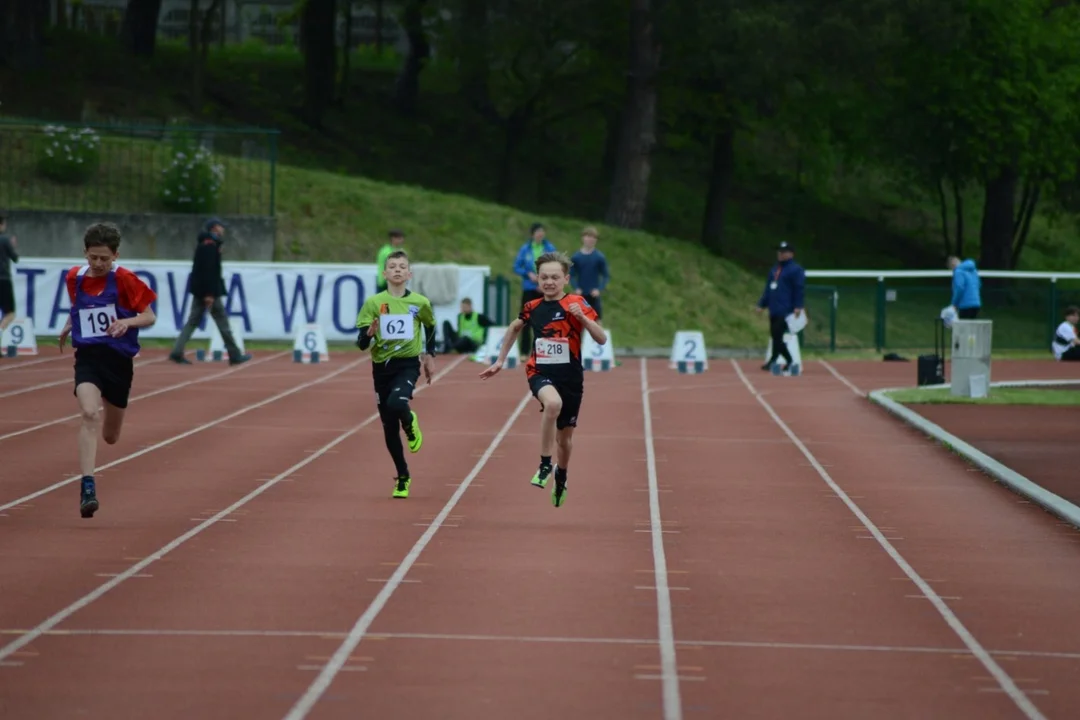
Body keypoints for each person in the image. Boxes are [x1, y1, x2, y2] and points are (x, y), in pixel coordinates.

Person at [480, 251, 606, 509]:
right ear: (537, 278)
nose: (549, 282)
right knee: (551, 405)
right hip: (539, 370)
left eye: (555, 277)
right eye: (544, 277)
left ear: (566, 279)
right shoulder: (532, 307)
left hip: (570, 377)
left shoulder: (577, 303)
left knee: (565, 440)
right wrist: (500, 360)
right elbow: (515, 327)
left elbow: (601, 338)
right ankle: (545, 464)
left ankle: (561, 475)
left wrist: (581, 318)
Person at [58, 223, 158, 518]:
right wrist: (69, 323)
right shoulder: (74, 277)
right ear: (84, 253)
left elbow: (149, 316)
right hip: (88, 357)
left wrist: (127, 323)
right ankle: (87, 485)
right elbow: (78, 305)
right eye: (93, 257)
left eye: (105, 258)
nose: (99, 264)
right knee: (89, 413)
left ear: (116, 254)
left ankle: (107, 412)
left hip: (118, 361)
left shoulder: (125, 279)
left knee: (111, 436)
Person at [355, 249, 437, 499]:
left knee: (397, 402)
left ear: (409, 273)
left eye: (402, 266)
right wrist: (369, 333)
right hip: (382, 368)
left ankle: (411, 424)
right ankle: (403, 476)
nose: (398, 270)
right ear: (385, 273)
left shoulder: (420, 302)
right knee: (389, 428)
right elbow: (360, 344)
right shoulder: (373, 303)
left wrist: (429, 356)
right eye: (393, 266)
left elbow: (430, 326)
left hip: (408, 364)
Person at [168, 218, 250, 366]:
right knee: (222, 322)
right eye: (220, 226)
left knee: (193, 321)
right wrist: (209, 294)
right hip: (208, 291)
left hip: (202, 290)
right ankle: (235, 354)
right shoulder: (209, 246)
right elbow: (208, 272)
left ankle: (177, 351)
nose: (223, 229)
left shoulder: (207, 244)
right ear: (214, 228)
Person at [756, 241, 805, 375]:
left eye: (784, 252)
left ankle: (783, 360)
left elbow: (799, 289)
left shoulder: (796, 270)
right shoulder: (774, 269)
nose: (780, 254)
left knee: (777, 335)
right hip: (774, 307)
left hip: (786, 309)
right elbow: (768, 289)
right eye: (779, 251)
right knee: (774, 335)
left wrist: (798, 306)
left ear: (791, 254)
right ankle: (777, 359)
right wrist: (761, 304)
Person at [512, 222, 556, 361]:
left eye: (542, 232)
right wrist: (528, 274)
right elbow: (516, 266)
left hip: (545, 289)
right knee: (526, 320)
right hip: (529, 289)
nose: (540, 234)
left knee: (546, 319)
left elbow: (556, 265)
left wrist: (544, 280)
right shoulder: (525, 249)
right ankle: (525, 352)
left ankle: (545, 351)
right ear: (532, 234)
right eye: (538, 232)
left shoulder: (549, 248)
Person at [570, 226, 610, 321]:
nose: (590, 239)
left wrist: (599, 289)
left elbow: (605, 275)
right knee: (578, 322)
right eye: (588, 236)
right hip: (580, 295)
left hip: (593, 295)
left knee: (597, 321)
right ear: (583, 238)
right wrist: (576, 288)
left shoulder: (599, 257)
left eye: (593, 237)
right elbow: (571, 275)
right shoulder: (576, 257)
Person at [0, 211, 18, 343]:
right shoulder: (5, 240)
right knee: (10, 313)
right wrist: (13, 246)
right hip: (3, 279)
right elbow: (15, 258)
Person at [375, 229, 406, 294]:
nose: (402, 240)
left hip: (394, 281)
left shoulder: (398, 250)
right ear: (393, 239)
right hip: (385, 282)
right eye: (399, 238)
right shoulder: (386, 251)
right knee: (384, 303)